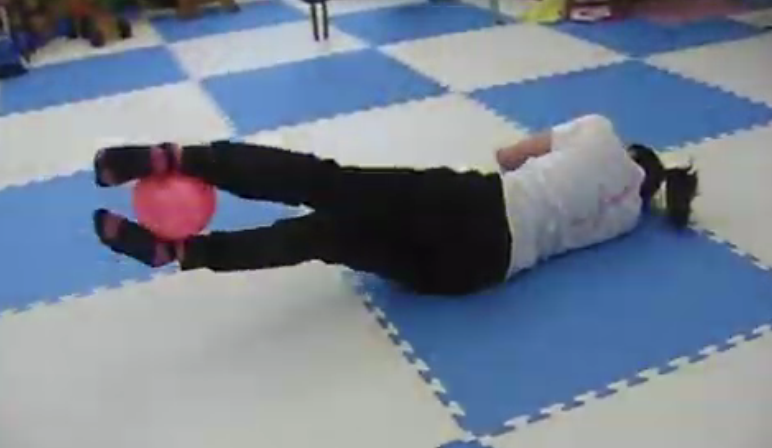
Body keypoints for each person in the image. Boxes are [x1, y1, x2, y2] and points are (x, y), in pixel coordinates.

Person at [93, 114, 698, 296]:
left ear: (632, 148)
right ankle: (183, 252)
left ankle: (180, 158)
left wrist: (534, 159)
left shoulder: (598, 131)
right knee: (324, 236)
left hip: (476, 203)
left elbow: (507, 156)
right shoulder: (629, 219)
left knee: (324, 183)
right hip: (477, 272)